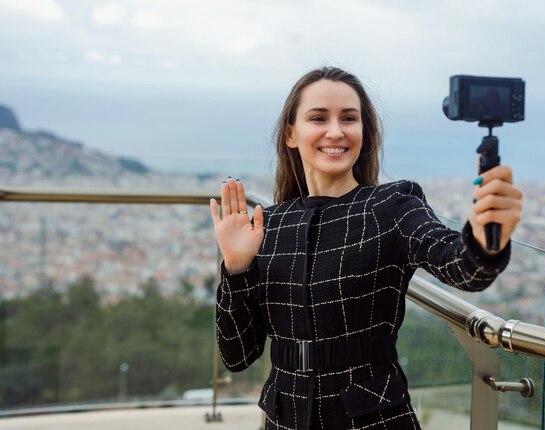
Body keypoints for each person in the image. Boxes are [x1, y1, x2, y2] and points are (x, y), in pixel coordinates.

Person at [210, 67, 522, 429]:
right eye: (318, 118)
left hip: (372, 418)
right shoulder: (271, 225)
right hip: (284, 418)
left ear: (364, 133)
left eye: (349, 118)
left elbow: (463, 267)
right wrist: (236, 268)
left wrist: (484, 238)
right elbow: (237, 355)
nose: (336, 131)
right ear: (291, 134)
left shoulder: (391, 206)